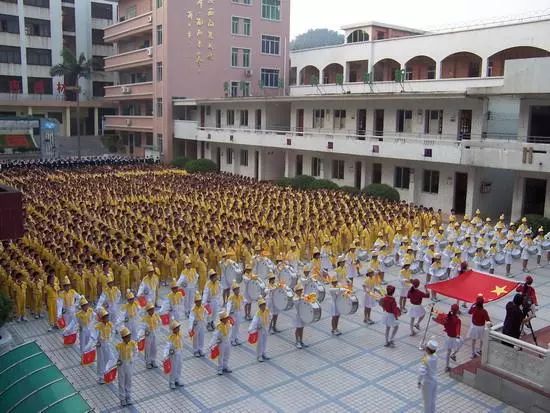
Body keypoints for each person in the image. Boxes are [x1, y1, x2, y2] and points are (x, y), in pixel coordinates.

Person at [116, 326, 137, 407]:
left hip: (129, 363)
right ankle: (122, 398)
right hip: (121, 365)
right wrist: (117, 361)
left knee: (129, 380)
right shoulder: (119, 346)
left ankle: (128, 397)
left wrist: (133, 359)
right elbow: (116, 355)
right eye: (127, 337)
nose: (129, 338)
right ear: (123, 338)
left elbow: (136, 351)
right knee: (121, 381)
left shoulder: (133, 343)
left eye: (129, 336)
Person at [418, 339, 439, 413]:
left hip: (427, 383)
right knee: (432, 401)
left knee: (427, 403)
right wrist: (424, 347)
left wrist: (419, 381)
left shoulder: (425, 359)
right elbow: (428, 352)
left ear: (428, 349)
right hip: (435, 381)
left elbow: (422, 372)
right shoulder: (435, 356)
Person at [94, 307, 114, 384]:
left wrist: (110, 340)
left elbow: (112, 333)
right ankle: (100, 377)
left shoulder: (110, 324)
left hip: (107, 344)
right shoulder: (98, 326)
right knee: (101, 360)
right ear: (102, 318)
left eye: (107, 316)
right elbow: (94, 336)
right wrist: (96, 342)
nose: (107, 318)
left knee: (111, 358)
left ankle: (107, 372)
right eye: (105, 317)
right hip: (100, 345)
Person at [210, 310, 232, 375]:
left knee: (227, 354)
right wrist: (212, 344)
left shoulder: (228, 323)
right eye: (225, 318)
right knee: (221, 356)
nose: (227, 319)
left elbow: (230, 331)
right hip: (221, 343)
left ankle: (225, 366)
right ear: (222, 319)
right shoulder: (219, 327)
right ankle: (220, 368)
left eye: (227, 318)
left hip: (227, 341)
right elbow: (215, 336)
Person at [249, 297, 271, 362]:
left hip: (265, 328)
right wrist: (251, 330)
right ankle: (259, 356)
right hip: (260, 330)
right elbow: (254, 322)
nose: (263, 306)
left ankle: (264, 353)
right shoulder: (257, 314)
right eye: (262, 305)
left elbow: (270, 316)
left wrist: (268, 324)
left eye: (264, 304)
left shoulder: (267, 310)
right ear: (259, 306)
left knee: (265, 341)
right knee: (260, 343)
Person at [165, 320, 185, 389]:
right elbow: (167, 347)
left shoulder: (180, 335)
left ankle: (177, 379)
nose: (178, 329)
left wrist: (181, 350)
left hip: (179, 353)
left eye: (178, 327)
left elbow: (181, 342)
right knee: (173, 368)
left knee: (179, 367)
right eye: (177, 328)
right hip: (173, 355)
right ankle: (172, 382)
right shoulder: (171, 338)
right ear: (173, 329)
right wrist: (165, 355)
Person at [141, 302, 160, 369]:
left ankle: (153, 360)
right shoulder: (145, 318)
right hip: (148, 334)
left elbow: (159, 322)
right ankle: (148, 362)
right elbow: (142, 327)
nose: (152, 311)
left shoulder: (156, 315)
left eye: (152, 309)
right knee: (148, 348)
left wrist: (157, 329)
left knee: (154, 348)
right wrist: (144, 332)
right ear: (148, 311)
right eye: (150, 309)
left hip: (154, 333)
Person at [443, 304, 462, 372]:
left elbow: (444, 325)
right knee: (460, 344)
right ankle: (453, 354)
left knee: (448, 351)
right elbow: (458, 329)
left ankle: (446, 366)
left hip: (448, 336)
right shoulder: (457, 320)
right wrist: (458, 335)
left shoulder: (447, 317)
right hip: (454, 337)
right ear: (457, 311)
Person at [189, 293, 208, 357]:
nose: (199, 303)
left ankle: (201, 349)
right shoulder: (193, 309)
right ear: (195, 302)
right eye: (198, 301)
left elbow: (206, 313)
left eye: (200, 301)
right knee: (195, 337)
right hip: (196, 324)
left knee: (202, 336)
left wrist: (205, 320)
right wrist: (190, 327)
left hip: (202, 323)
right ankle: (195, 350)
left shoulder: (202, 307)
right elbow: (191, 318)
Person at [226, 281, 244, 346]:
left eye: (238, 289)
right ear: (233, 290)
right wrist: (227, 315)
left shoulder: (240, 296)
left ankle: (236, 338)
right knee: (233, 327)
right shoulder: (231, 297)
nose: (238, 291)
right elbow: (228, 306)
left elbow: (243, 302)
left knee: (238, 327)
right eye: (236, 289)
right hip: (233, 314)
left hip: (238, 313)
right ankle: (232, 340)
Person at [293, 283, 307, 349]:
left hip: (303, 314)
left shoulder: (302, 296)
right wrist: (302, 298)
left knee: (302, 328)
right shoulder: (295, 298)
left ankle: (301, 340)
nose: (301, 291)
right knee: (298, 328)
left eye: (301, 290)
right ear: (296, 291)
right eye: (299, 290)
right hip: (298, 315)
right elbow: (297, 302)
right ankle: (297, 341)